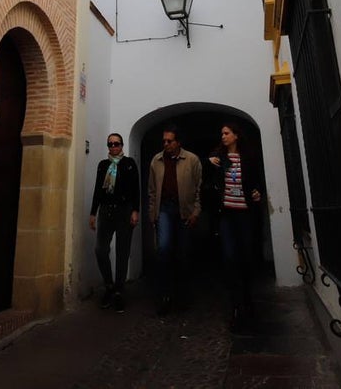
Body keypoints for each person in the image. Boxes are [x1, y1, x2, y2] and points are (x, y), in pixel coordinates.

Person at [207, 120, 265, 329]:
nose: (223, 136)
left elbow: (256, 182)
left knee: (246, 257)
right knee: (230, 258)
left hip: (245, 214)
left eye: (227, 133)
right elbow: (210, 183)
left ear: (236, 135)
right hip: (227, 215)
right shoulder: (218, 159)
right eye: (222, 133)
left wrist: (258, 192)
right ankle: (236, 304)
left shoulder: (248, 158)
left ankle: (248, 300)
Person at [147, 121, 201, 316]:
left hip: (184, 210)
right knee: (163, 250)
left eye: (169, 141)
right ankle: (164, 295)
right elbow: (152, 190)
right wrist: (152, 213)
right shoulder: (156, 161)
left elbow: (199, 188)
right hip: (164, 209)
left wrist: (196, 212)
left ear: (178, 142)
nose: (166, 144)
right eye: (164, 141)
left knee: (183, 253)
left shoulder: (192, 160)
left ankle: (183, 295)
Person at [89, 132, 139, 312]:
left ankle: (119, 291)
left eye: (116, 144)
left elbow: (136, 189)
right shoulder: (103, 165)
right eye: (110, 144)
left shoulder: (129, 164)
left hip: (124, 211)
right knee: (100, 250)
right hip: (106, 211)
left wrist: (135, 210)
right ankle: (109, 286)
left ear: (122, 145)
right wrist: (93, 213)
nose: (113, 147)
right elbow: (98, 189)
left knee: (122, 252)